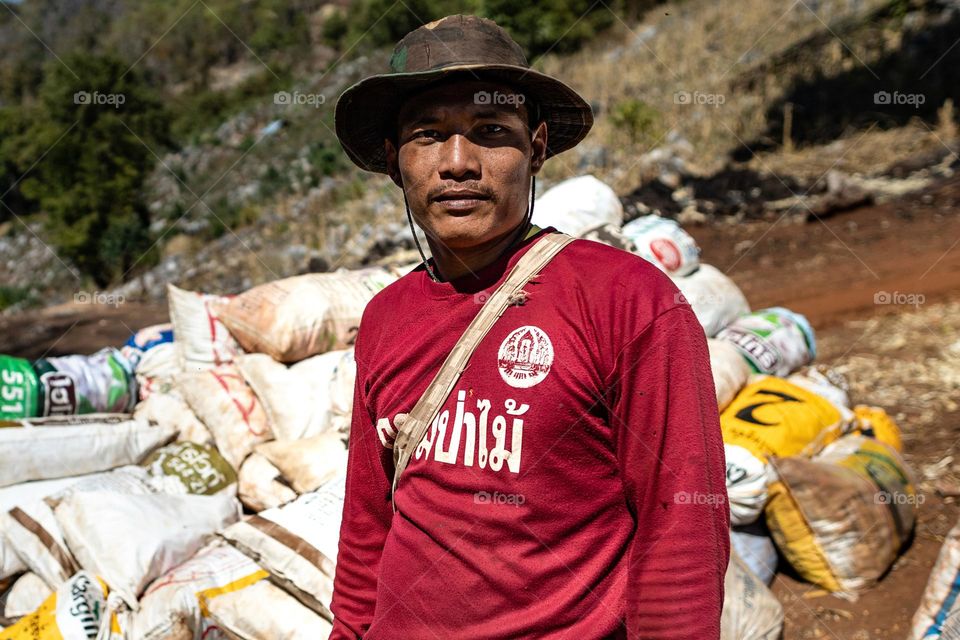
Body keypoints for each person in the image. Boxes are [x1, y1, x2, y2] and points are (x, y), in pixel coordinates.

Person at [329, 14, 729, 639]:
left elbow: (680, 524)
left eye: (490, 132)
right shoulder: (386, 317)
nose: (457, 163)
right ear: (391, 159)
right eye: (428, 135)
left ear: (536, 147)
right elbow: (366, 523)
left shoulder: (626, 299)